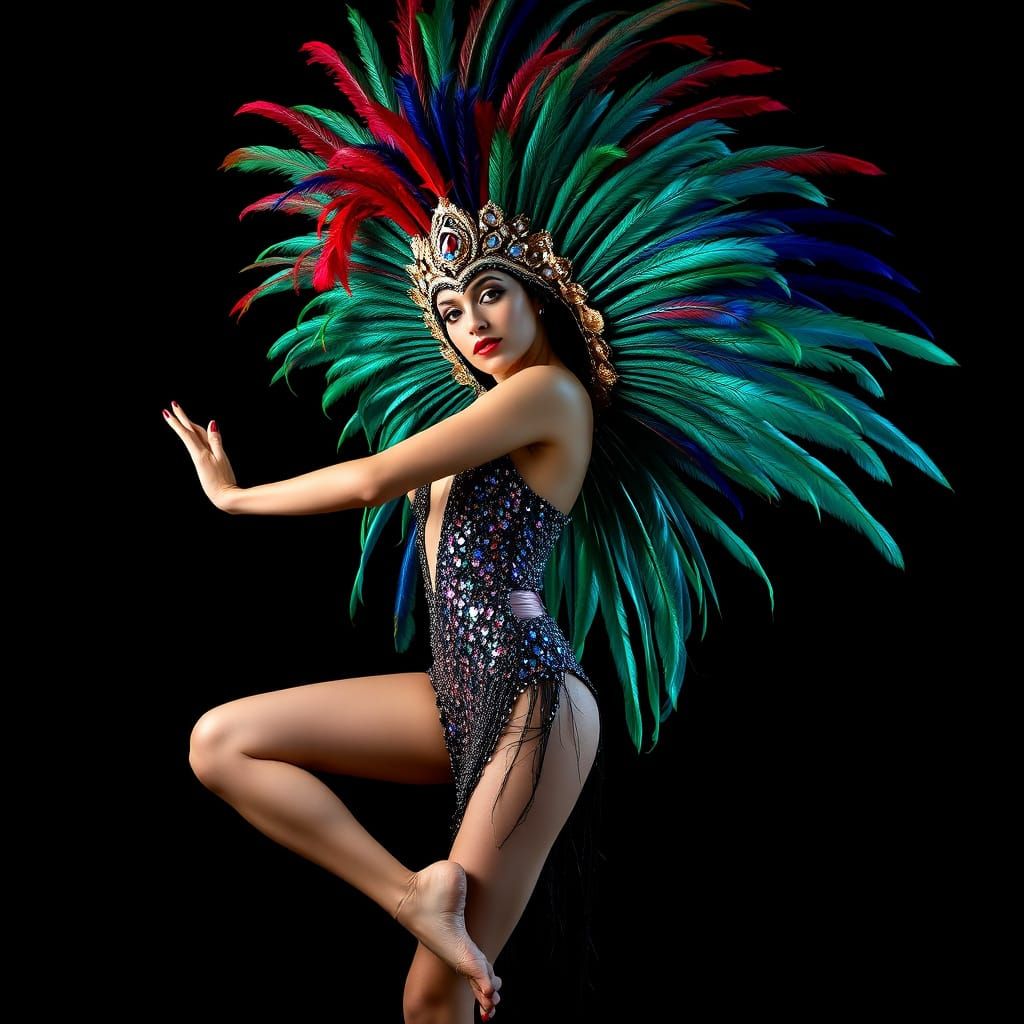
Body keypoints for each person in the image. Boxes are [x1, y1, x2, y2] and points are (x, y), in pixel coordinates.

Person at [167, 1, 956, 1020]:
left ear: (541, 297)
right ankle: (415, 890)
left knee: (430, 1002)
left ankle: (430, 911)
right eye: (451, 310)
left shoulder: (552, 396)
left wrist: (230, 495)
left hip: (533, 698)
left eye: (490, 293)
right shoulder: (493, 413)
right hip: (456, 688)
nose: (471, 320)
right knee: (221, 740)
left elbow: (372, 481)